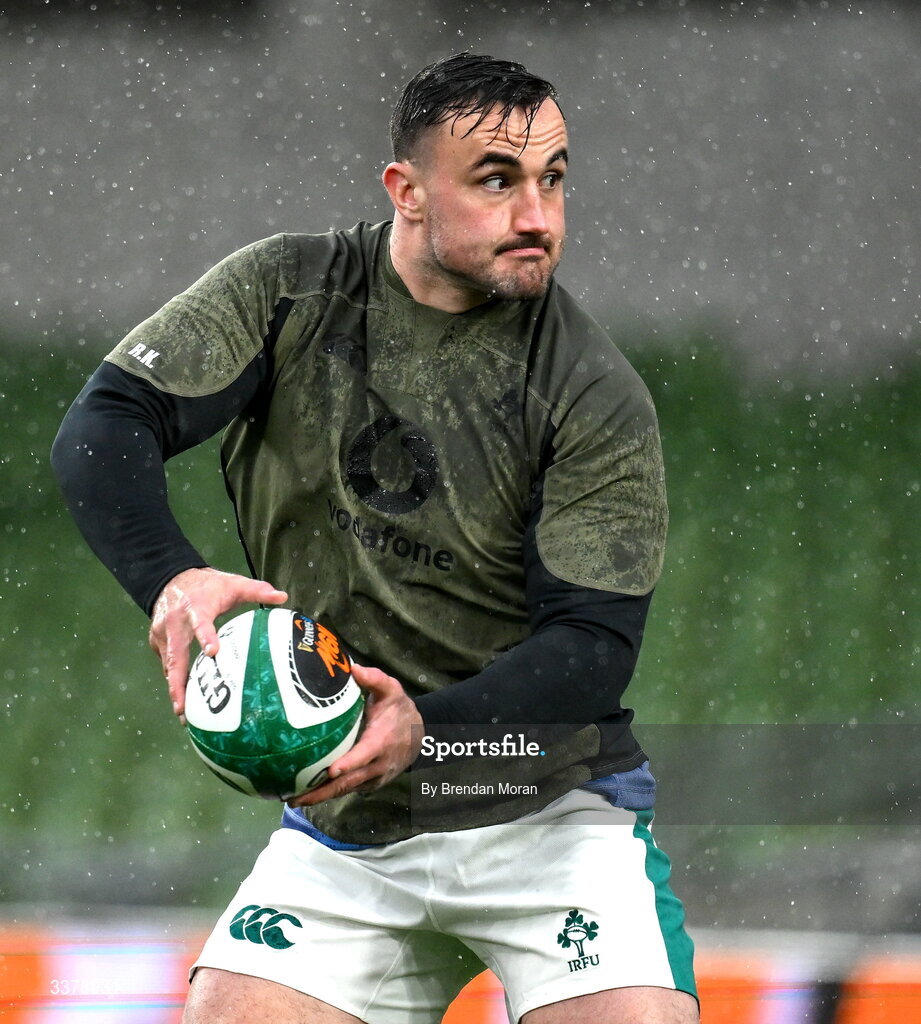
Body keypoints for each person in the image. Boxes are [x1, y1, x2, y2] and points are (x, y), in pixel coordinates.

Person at [52, 52, 698, 1024]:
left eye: (553, 178)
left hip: (545, 808)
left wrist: (426, 730)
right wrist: (172, 579)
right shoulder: (288, 291)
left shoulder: (590, 389)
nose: (539, 214)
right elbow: (105, 426)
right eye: (496, 178)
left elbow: (591, 652)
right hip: (348, 833)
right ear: (407, 191)